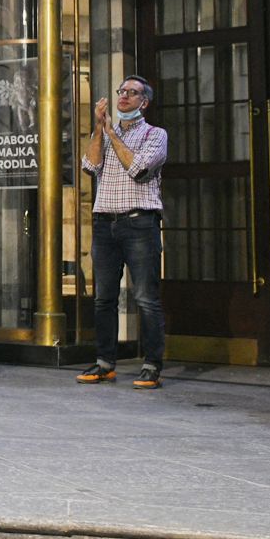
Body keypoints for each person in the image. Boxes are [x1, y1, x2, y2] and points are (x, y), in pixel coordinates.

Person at [77, 77, 169, 389]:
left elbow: (138, 169)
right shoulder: (103, 134)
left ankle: (152, 364)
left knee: (145, 297)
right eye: (121, 92)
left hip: (139, 223)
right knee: (103, 298)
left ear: (144, 102)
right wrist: (98, 128)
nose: (124, 97)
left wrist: (112, 134)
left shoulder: (155, 135)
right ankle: (105, 362)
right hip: (105, 223)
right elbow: (89, 165)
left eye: (132, 93)